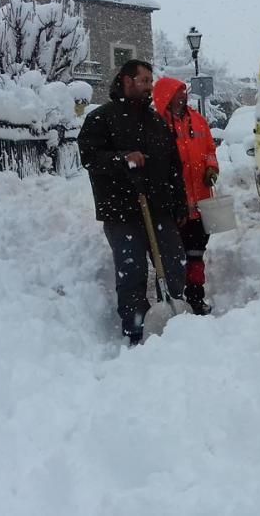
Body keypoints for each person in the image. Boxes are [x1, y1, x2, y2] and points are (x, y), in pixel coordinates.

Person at [78, 60, 189, 344]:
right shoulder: (102, 119)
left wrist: (178, 202)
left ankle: (174, 315)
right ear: (127, 81)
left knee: (174, 263)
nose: (149, 86)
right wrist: (122, 159)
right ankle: (136, 329)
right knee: (132, 270)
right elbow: (89, 156)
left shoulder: (155, 123)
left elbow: (173, 166)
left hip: (159, 209)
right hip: (121, 211)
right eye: (144, 80)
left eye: (150, 81)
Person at [153, 77, 219, 316]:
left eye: (183, 92)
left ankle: (195, 297)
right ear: (165, 97)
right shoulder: (158, 125)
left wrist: (212, 167)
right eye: (176, 93)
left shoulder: (198, 121)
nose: (182, 97)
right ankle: (174, 299)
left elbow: (210, 149)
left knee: (196, 254)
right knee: (174, 256)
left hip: (199, 203)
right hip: (174, 205)